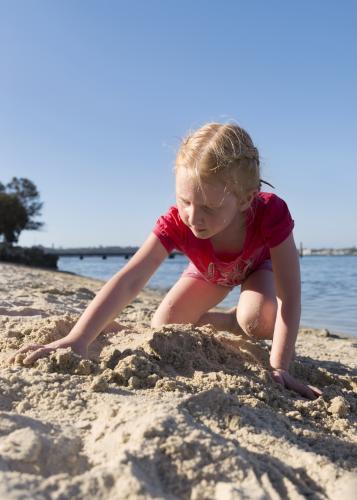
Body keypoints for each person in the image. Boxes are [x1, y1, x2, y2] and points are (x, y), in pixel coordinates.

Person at [10, 122, 322, 399]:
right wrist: (78, 339)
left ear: (246, 199)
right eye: (185, 201)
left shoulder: (270, 213)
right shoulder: (177, 223)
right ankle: (228, 318)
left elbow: (289, 294)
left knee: (257, 321)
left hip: (257, 268)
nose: (193, 217)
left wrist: (280, 366)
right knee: (164, 324)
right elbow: (130, 279)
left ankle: (241, 317)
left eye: (209, 209)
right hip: (210, 272)